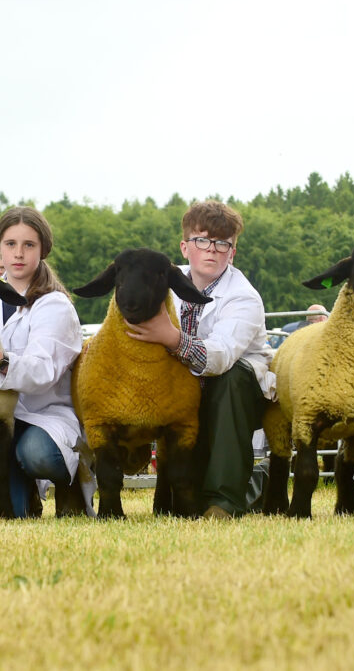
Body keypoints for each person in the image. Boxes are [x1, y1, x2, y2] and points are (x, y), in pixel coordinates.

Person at [125, 200, 274, 518]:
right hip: (181, 400)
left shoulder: (243, 297)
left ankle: (224, 502)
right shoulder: (164, 282)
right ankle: (261, 480)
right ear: (185, 247)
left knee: (232, 376)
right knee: (177, 510)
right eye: (203, 240)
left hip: (233, 399)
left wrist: (171, 337)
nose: (213, 250)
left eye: (223, 243)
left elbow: (220, 356)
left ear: (232, 252)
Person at [0, 206, 84, 518]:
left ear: (43, 249)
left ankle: (71, 483)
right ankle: (27, 493)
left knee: (36, 453)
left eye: (29, 245)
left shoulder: (54, 305)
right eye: (10, 244)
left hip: (46, 417)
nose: (19, 254)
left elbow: (43, 370)